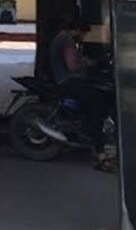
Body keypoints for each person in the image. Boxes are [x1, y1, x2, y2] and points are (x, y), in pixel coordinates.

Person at [46, 16, 113, 169]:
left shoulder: (60, 38)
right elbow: (72, 66)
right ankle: (100, 151)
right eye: (83, 34)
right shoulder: (67, 40)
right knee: (98, 107)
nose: (83, 37)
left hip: (65, 81)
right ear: (76, 30)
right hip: (69, 82)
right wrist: (86, 62)